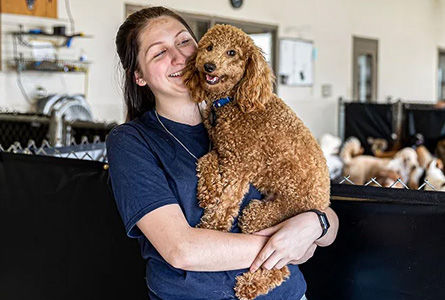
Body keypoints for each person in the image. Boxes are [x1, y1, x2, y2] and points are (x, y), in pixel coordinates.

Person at [107, 6, 339, 300]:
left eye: (183, 42)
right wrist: (288, 244)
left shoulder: (251, 115)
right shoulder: (132, 142)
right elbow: (182, 250)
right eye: (159, 53)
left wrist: (316, 224)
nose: (179, 57)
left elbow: (321, 214)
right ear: (139, 76)